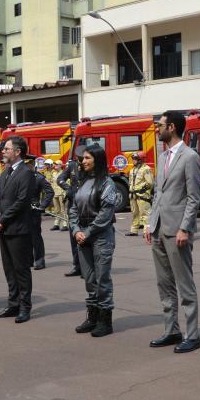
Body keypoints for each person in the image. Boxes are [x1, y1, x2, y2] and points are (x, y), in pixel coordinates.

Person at [144, 110, 200, 353]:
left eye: (160, 125)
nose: (157, 129)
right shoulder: (163, 156)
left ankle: (192, 335)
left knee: (184, 284)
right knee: (164, 283)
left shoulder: (190, 157)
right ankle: (172, 330)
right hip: (159, 228)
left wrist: (184, 228)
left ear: (172, 127)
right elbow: (158, 193)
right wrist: (150, 222)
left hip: (177, 230)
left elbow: (193, 197)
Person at [69, 144, 119, 337]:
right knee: (89, 279)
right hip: (83, 236)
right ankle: (92, 317)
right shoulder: (83, 182)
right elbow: (73, 208)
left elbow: (106, 213)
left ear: (97, 160)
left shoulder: (107, 183)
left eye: (88, 158)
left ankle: (105, 321)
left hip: (101, 237)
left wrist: (87, 232)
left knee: (102, 279)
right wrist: (76, 230)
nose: (83, 161)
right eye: (83, 158)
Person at [0, 135, 37, 323]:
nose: (3, 151)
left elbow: (22, 201)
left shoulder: (26, 173)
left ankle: (25, 307)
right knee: (9, 269)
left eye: (7, 149)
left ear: (18, 152)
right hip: (4, 228)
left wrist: (2, 219)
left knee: (21, 270)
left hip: (18, 229)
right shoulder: (5, 173)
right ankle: (13, 304)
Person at [57, 156, 83, 277]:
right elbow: (60, 179)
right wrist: (69, 189)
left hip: (85, 205)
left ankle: (87, 267)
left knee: (85, 236)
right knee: (73, 237)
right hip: (73, 205)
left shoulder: (89, 165)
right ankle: (77, 266)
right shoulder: (72, 165)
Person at [29, 157, 55, 270]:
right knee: (24, 237)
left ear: (32, 165)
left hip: (33, 210)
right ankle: (28, 260)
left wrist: (42, 206)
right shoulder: (19, 177)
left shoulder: (38, 177)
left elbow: (50, 192)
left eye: (29, 164)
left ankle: (39, 260)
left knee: (35, 237)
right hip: (21, 211)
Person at [125, 151, 153, 236]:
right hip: (133, 195)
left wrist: (142, 190)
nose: (133, 161)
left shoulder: (146, 169)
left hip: (142, 196)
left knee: (145, 214)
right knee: (135, 214)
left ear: (140, 160)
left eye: (135, 159)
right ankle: (134, 230)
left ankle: (146, 232)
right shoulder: (132, 170)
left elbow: (150, 183)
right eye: (133, 159)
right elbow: (131, 182)